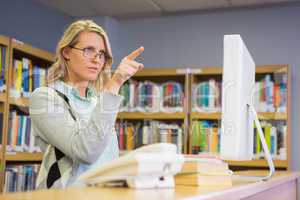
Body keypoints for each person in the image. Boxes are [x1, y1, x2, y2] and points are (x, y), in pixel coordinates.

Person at [29, 19, 144, 189]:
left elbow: (108, 159)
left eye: (102, 54)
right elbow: (85, 152)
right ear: (67, 52)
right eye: (88, 50)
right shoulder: (45, 97)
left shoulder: (97, 101)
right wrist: (115, 83)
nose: (97, 60)